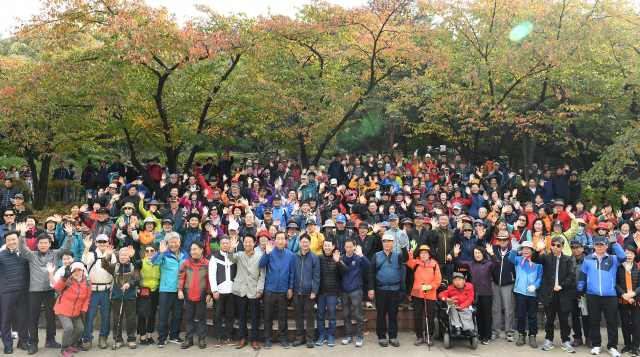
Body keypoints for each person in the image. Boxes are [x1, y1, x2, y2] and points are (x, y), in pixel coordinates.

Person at [17, 221, 74, 355]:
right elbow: (22, 248)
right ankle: (34, 343)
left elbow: (66, 247)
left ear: (49, 244)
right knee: (33, 318)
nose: (43, 245)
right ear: (37, 244)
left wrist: (70, 234)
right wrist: (22, 234)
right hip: (34, 291)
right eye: (40, 243)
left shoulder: (54, 254)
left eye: (45, 243)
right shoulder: (32, 255)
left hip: (50, 291)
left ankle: (50, 339)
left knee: (50, 317)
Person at [577, 236, 626, 356]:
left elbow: (623, 257)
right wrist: (579, 290)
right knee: (594, 321)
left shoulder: (613, 259)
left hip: (610, 296)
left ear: (606, 245)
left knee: (612, 322)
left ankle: (612, 346)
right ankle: (596, 345)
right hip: (592, 296)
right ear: (593, 245)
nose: (599, 246)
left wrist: (615, 243)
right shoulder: (587, 259)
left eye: (602, 244)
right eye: (597, 244)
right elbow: (583, 275)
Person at [532, 236, 576, 353]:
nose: (555, 247)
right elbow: (535, 259)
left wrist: (561, 285)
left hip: (563, 294)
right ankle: (549, 340)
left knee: (564, 320)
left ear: (562, 247)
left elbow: (572, 276)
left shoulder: (568, 259)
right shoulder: (546, 257)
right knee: (549, 318)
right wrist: (537, 250)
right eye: (553, 245)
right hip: (549, 294)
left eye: (558, 245)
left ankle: (565, 341)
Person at [452, 243, 499, 345]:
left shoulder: (489, 264)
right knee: (478, 315)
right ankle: (480, 334)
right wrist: (455, 255)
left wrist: (492, 254)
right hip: (473, 294)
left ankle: (487, 336)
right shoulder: (470, 264)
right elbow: (459, 263)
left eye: (479, 253)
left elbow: (497, 263)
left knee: (486, 315)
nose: (477, 255)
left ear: (483, 254)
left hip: (486, 293)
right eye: (475, 253)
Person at [368, 234, 409, 347]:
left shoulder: (398, 255)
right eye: (384, 241)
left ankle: (393, 336)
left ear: (393, 243)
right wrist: (371, 289)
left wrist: (403, 246)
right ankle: (381, 336)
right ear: (382, 243)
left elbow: (406, 258)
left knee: (393, 314)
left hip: (394, 290)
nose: (386, 243)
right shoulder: (376, 256)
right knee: (381, 314)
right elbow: (370, 273)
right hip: (381, 289)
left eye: (389, 241)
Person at [258, 231, 295, 349]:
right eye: (277, 239)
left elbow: (292, 273)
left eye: (282, 239)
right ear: (274, 241)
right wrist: (266, 254)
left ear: (285, 241)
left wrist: (290, 287)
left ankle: (282, 338)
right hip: (269, 289)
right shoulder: (269, 252)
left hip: (283, 290)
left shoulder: (290, 255)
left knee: (282, 316)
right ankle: (267, 339)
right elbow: (261, 265)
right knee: (268, 316)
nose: (280, 241)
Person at [228, 235, 264, 351]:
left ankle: (254, 339)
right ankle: (243, 338)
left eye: (250, 242)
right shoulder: (239, 255)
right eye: (245, 242)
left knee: (255, 317)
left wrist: (260, 290)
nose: (247, 244)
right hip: (241, 290)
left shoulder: (259, 257)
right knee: (241, 316)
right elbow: (230, 257)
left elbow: (262, 275)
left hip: (254, 291)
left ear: (254, 243)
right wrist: (232, 248)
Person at [152, 236, 190, 348]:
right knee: (164, 315)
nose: (173, 244)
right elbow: (155, 262)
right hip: (166, 289)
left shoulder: (185, 254)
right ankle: (162, 338)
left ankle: (174, 336)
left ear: (179, 242)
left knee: (178, 314)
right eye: (171, 242)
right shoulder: (165, 254)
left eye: (175, 242)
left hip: (179, 290)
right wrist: (160, 252)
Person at [80, 234, 116, 350]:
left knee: (105, 315)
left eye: (104, 242)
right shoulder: (91, 254)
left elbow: (114, 273)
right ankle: (87, 339)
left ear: (108, 243)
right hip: (93, 291)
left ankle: (103, 338)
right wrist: (86, 248)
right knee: (90, 315)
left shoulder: (112, 255)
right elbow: (84, 261)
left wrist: (112, 288)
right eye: (99, 242)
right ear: (95, 243)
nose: (101, 244)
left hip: (106, 290)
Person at [102, 246, 141, 350]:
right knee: (116, 319)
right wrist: (108, 255)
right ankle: (118, 340)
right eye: (121, 255)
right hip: (117, 296)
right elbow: (104, 265)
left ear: (129, 257)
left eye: (125, 255)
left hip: (130, 296)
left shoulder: (133, 267)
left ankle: (131, 339)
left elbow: (137, 279)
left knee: (131, 319)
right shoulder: (114, 266)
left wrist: (129, 283)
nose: (123, 257)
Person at [405, 245, 442, 346]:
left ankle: (429, 335)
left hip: (430, 292)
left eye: (425, 253)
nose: (423, 255)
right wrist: (411, 251)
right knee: (417, 315)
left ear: (429, 254)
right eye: (421, 253)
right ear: (419, 254)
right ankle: (419, 336)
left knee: (430, 315)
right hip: (417, 291)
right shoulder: (416, 263)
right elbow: (407, 261)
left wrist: (430, 286)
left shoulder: (435, 264)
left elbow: (438, 280)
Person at [0, 230, 30, 354]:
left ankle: (23, 341)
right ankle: (7, 344)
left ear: (19, 240)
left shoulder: (26, 253)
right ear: (5, 242)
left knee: (23, 318)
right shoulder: (1, 255)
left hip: (24, 290)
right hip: (7, 291)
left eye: (13, 239)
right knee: (6, 319)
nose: (11, 242)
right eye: (8, 241)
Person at [178, 241, 212, 349]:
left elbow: (210, 280)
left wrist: (209, 293)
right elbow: (181, 278)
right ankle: (188, 339)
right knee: (189, 317)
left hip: (201, 295)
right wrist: (180, 290)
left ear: (201, 250)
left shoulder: (207, 263)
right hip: (188, 295)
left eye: (195, 249)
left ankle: (201, 338)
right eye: (191, 249)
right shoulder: (186, 263)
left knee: (202, 317)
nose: (192, 251)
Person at [509, 240, 542, 348]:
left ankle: (533, 336)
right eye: (524, 248)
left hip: (533, 294)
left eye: (528, 248)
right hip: (520, 292)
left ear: (532, 250)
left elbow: (541, 276)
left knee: (533, 316)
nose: (526, 250)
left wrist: (536, 286)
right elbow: (511, 258)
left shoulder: (538, 262)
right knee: (521, 316)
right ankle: (521, 335)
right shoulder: (518, 259)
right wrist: (514, 249)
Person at [316, 240, 348, 347]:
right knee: (320, 315)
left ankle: (330, 336)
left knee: (332, 316)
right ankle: (321, 336)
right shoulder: (319, 258)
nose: (327, 248)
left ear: (333, 246)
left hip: (333, 292)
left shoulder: (338, 257)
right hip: (320, 292)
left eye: (329, 246)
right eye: (325, 246)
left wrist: (338, 261)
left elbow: (345, 270)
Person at [128, 243, 160, 346]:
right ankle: (142, 337)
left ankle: (149, 335)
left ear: (155, 252)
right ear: (144, 252)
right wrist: (132, 256)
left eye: (152, 251)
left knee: (152, 315)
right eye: (147, 251)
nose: (149, 253)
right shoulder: (141, 262)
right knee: (142, 315)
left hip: (155, 292)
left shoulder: (158, 262)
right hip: (144, 293)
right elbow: (134, 263)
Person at [340, 238, 370, 347]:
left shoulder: (358, 257)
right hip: (344, 291)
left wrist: (361, 255)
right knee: (346, 315)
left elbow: (368, 265)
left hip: (356, 290)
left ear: (354, 246)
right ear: (345, 247)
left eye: (350, 247)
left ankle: (359, 336)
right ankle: (349, 336)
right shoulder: (342, 258)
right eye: (347, 247)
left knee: (358, 315)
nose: (348, 249)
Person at [292, 234, 320, 348]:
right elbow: (291, 274)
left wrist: (314, 291)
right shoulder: (294, 257)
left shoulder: (314, 257)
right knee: (298, 315)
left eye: (306, 242)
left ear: (309, 243)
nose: (304, 244)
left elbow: (317, 276)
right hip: (296, 292)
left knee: (310, 315)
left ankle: (309, 338)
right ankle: (299, 338)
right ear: (299, 243)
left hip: (309, 293)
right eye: (302, 242)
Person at [209, 235, 237, 348]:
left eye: (227, 243)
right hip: (219, 291)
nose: (225, 245)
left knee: (230, 315)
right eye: (223, 243)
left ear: (230, 244)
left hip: (232, 291)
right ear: (219, 245)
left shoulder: (234, 256)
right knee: (217, 315)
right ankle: (218, 337)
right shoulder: (214, 257)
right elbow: (211, 275)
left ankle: (228, 337)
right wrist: (214, 290)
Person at [491, 231, 516, 342]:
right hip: (495, 283)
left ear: (508, 241)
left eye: (504, 239)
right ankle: (495, 331)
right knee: (495, 309)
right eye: (500, 239)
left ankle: (509, 332)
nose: (502, 241)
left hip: (508, 283)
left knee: (508, 309)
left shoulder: (513, 250)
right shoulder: (493, 249)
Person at [616, 245, 640, 357]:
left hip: (636, 300)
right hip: (623, 299)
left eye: (631, 253)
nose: (628, 255)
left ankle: (635, 346)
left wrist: (632, 295)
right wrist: (624, 294)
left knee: (636, 324)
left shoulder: (638, 267)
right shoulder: (618, 267)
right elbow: (615, 283)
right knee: (625, 323)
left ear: (635, 255)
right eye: (626, 253)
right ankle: (627, 345)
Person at [437, 272, 476, 337]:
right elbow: (439, 295)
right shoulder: (450, 288)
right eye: (455, 280)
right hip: (453, 304)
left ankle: (468, 329)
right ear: (453, 281)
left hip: (464, 305)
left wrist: (461, 306)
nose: (458, 282)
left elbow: (470, 299)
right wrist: (448, 299)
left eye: (460, 279)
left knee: (467, 311)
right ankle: (457, 328)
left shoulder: (470, 287)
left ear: (464, 281)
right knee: (451, 308)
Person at [569, 240, 591, 349]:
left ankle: (588, 337)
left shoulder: (588, 260)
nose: (575, 250)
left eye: (578, 247)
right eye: (573, 248)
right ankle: (577, 337)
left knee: (586, 316)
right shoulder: (569, 260)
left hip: (584, 294)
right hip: (572, 293)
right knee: (574, 316)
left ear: (582, 248)